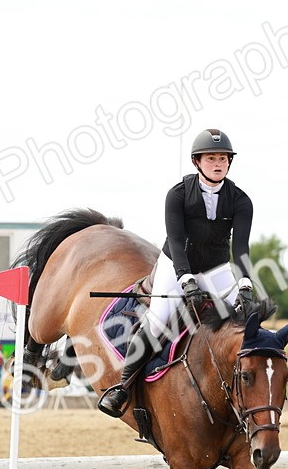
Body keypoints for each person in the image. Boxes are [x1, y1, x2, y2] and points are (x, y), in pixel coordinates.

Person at [98, 128, 256, 418]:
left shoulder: (240, 199)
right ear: (197, 162)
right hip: (175, 264)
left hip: (217, 268)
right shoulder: (178, 195)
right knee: (158, 320)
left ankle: (248, 390)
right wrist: (186, 280)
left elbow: (241, 246)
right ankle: (123, 387)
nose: (218, 164)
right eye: (211, 158)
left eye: (223, 158)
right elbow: (175, 240)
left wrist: (246, 282)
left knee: (245, 320)